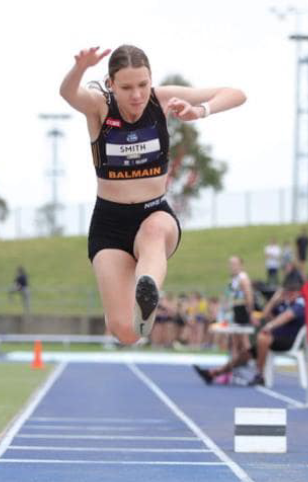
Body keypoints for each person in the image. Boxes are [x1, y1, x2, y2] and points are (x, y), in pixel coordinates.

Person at [59, 45, 246, 344]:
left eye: (143, 85)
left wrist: (199, 111)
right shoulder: (99, 107)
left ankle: (148, 289)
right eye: (127, 87)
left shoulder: (161, 99)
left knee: (154, 230)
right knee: (126, 332)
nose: (137, 95)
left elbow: (235, 93)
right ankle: (136, 307)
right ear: (111, 85)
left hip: (154, 212)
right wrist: (80, 68)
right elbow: (68, 93)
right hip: (109, 224)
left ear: (151, 80)